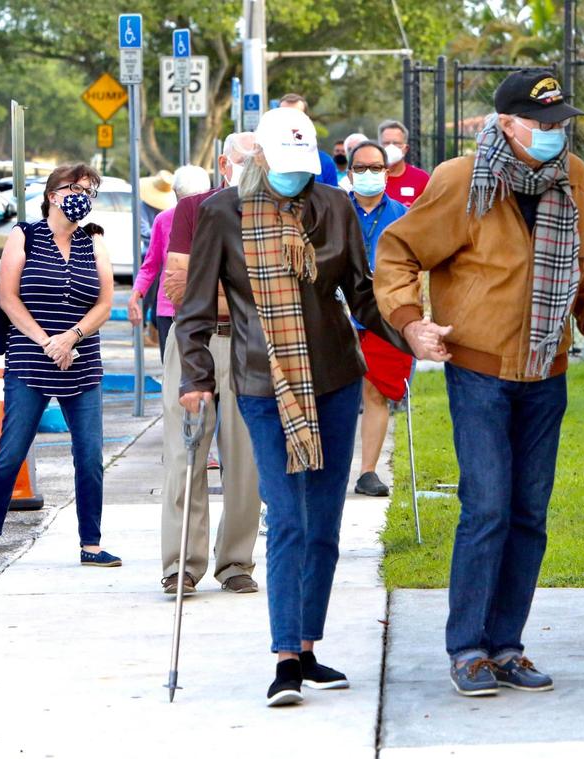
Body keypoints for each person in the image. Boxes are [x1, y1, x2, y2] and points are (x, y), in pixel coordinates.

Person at [374, 69, 584, 697]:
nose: (553, 133)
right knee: (486, 507)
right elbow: (398, 251)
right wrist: (411, 324)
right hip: (481, 371)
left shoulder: (578, 182)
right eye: (541, 123)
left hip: (547, 371)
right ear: (507, 123)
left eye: (559, 122)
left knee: (528, 513)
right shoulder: (463, 181)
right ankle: (468, 649)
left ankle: (507, 646)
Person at [174, 107, 417, 707]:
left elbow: (360, 294)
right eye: (283, 168)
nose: (293, 178)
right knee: (287, 518)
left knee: (325, 524)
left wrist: (410, 331)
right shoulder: (221, 212)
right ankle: (284, 659)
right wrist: (197, 376)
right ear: (260, 160)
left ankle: (309, 648)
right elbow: (197, 308)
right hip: (265, 384)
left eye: (302, 169)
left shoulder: (332, 207)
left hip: (335, 379)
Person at [0, 164, 120, 572]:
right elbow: (8, 297)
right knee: (10, 452)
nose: (82, 196)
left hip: (81, 360)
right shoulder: (25, 235)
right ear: (53, 194)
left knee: (89, 456)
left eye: (90, 190)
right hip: (31, 359)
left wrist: (72, 337)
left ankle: (91, 543)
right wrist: (48, 341)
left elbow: (105, 302)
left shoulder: (94, 241)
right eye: (76, 188)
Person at [157, 133, 263, 597]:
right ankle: (181, 563)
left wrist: (212, 286)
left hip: (249, 346)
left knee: (247, 462)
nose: (255, 167)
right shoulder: (193, 208)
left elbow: (281, 289)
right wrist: (243, 290)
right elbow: (178, 288)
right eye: (247, 160)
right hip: (193, 342)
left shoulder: (269, 210)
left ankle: (236, 562)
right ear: (224, 163)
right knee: (185, 458)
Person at [345, 141, 409, 497]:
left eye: (375, 168)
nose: (368, 174)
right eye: (361, 168)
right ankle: (329, 469)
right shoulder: (335, 209)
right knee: (334, 394)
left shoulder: (403, 214)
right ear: (350, 172)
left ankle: (368, 471)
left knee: (376, 391)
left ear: (387, 172)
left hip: (382, 316)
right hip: (338, 315)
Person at [128, 166, 211, 362]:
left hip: (206, 307)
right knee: (172, 371)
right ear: (175, 195)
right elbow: (151, 264)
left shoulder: (216, 219)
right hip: (169, 311)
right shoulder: (164, 220)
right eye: (185, 200)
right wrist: (135, 295)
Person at [277, 93, 339, 187]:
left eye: (296, 116)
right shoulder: (264, 159)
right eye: (284, 116)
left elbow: (332, 199)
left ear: (306, 120)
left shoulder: (324, 162)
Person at [378, 119, 430, 207]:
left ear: (405, 149)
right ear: (379, 147)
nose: (391, 147)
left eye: (396, 143)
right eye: (386, 143)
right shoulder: (370, 178)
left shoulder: (421, 179)